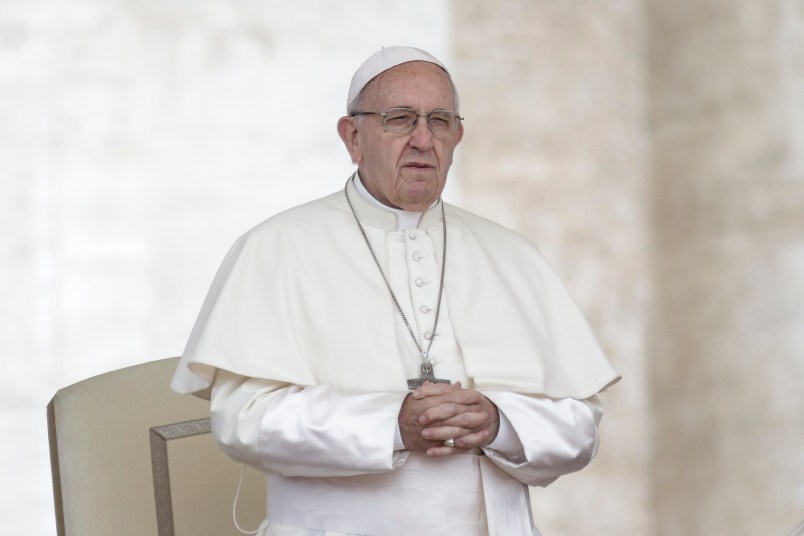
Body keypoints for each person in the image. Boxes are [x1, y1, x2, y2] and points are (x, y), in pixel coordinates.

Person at [171, 46, 620, 536]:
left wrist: (500, 423)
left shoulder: (514, 255)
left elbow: (580, 426)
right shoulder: (276, 247)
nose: (423, 140)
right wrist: (390, 423)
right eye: (400, 119)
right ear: (353, 137)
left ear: (458, 136)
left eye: (440, 121)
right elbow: (243, 420)